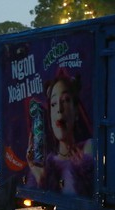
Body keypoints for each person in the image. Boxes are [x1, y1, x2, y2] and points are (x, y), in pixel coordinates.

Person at [26, 68, 94, 196]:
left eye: (66, 100)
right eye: (53, 104)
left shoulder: (88, 149)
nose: (59, 109)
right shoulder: (48, 163)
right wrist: (40, 178)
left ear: (76, 112)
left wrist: (83, 172)